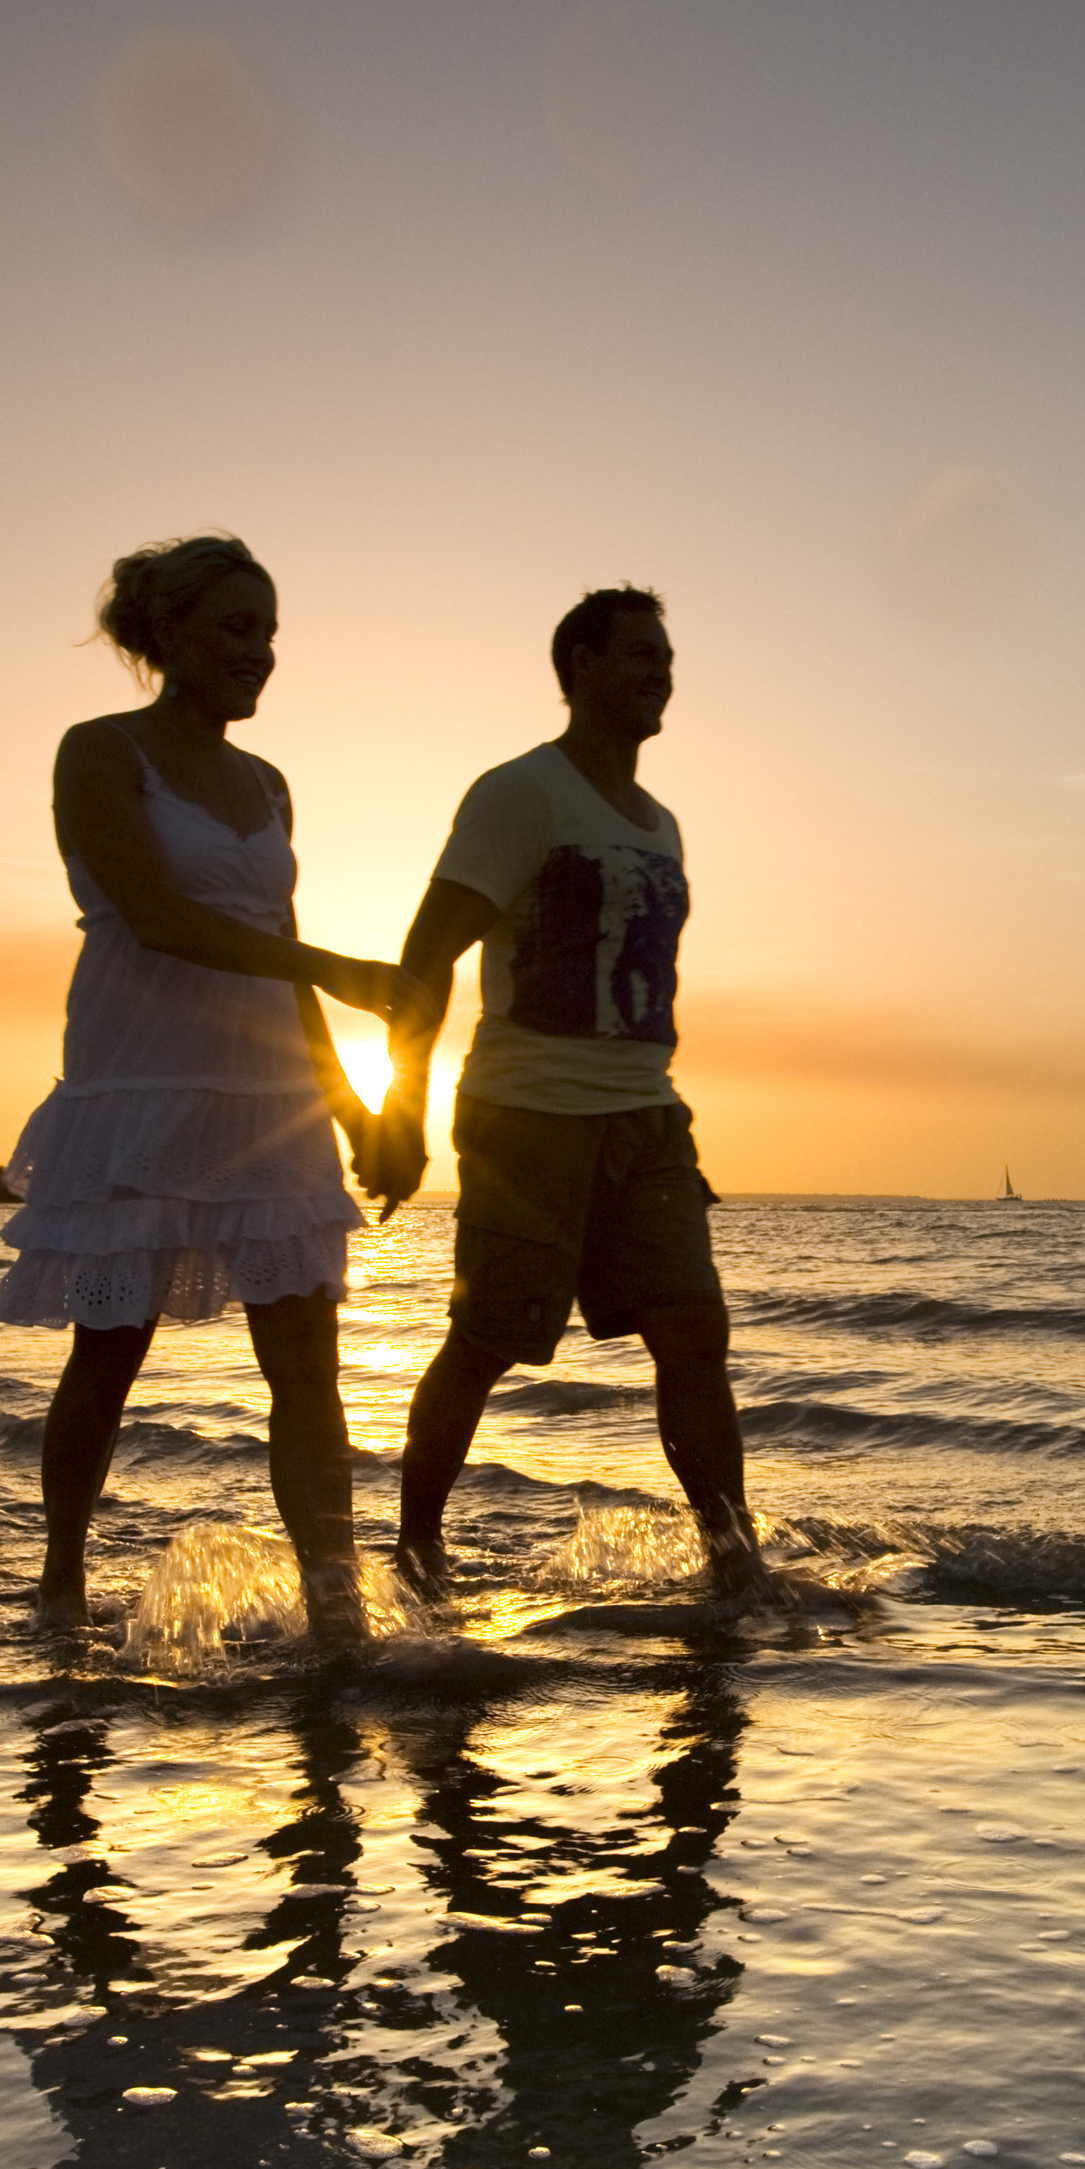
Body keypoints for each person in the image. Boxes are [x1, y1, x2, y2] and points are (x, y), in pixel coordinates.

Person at [0, 534, 395, 1645]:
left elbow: (275, 943)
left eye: (268, 633)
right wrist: (342, 972)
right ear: (164, 635)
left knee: (305, 1363)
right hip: (143, 1084)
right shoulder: (100, 752)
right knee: (109, 1349)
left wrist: (350, 1104)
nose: (259, 654)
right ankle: (61, 1587)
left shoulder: (269, 786)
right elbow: (163, 920)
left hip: (268, 1098)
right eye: (234, 628)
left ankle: (337, 1610)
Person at [359, 586, 763, 1598]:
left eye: (666, 657)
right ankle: (414, 1549)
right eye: (638, 653)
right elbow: (424, 952)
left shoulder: (660, 821)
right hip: (526, 1114)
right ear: (578, 665)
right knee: (487, 1340)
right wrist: (400, 1105)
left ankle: (734, 1561)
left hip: (647, 1119)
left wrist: (662, 1115)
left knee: (691, 1333)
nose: (659, 671)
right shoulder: (520, 793)